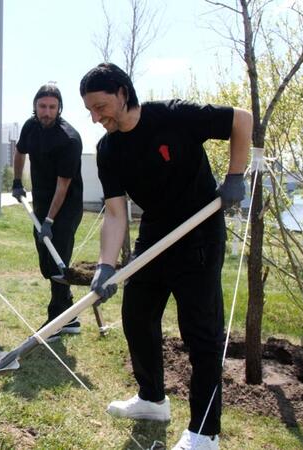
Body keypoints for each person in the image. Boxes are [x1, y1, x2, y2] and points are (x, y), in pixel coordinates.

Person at [79, 63, 250, 450]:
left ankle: (204, 434)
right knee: (136, 316)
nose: (95, 118)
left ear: (123, 93)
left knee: (201, 335)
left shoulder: (173, 116)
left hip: (199, 233)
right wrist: (105, 265)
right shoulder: (108, 150)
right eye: (89, 110)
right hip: (155, 235)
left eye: (100, 107)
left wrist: (235, 175)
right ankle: (152, 400)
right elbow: (116, 213)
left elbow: (241, 120)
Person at [12, 83, 83, 340]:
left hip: (66, 207)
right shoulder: (30, 127)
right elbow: (20, 151)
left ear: (59, 108)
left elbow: (63, 186)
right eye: (42, 106)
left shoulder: (69, 139)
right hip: (42, 202)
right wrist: (17, 181)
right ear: (35, 106)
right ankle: (71, 317)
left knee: (57, 262)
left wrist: (50, 221)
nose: (47, 112)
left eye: (52, 107)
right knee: (47, 262)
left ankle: (56, 320)